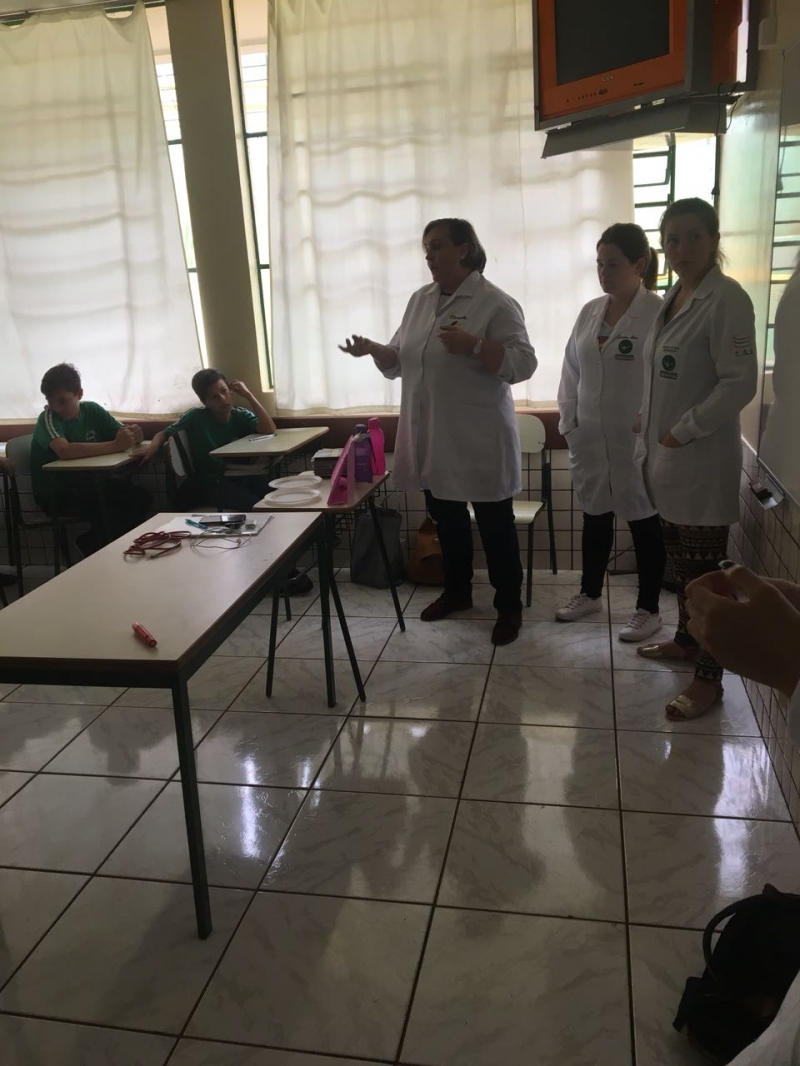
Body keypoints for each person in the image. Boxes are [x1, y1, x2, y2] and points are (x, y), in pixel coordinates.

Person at [339, 218, 537, 646]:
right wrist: (374, 349)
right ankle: (457, 592)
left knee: (496, 530)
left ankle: (508, 608)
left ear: (464, 249)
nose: (428, 255)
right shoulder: (420, 300)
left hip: (480, 440)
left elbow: (524, 364)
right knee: (448, 524)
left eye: (437, 246)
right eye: (426, 247)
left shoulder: (495, 302)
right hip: (432, 438)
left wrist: (475, 346)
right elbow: (400, 359)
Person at [635, 198, 758, 720]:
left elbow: (740, 383)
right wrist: (650, 430)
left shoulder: (727, 298)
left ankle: (709, 681)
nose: (681, 248)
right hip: (666, 463)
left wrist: (681, 431)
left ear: (713, 241)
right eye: (672, 239)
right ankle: (686, 642)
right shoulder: (674, 296)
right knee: (683, 571)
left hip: (701, 462)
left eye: (693, 237)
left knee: (707, 582)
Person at [556, 223, 665, 641]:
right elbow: (570, 371)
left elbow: (665, 379)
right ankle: (589, 594)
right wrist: (569, 422)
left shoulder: (658, 313)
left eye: (613, 264)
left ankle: (648, 609)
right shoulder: (590, 312)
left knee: (644, 522)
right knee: (595, 517)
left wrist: (650, 424)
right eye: (599, 264)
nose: (604, 272)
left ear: (639, 265)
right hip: (589, 438)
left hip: (635, 441)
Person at [30, 363, 151, 556]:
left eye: (61, 401)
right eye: (50, 401)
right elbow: (64, 450)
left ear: (79, 394)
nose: (55, 407)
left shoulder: (92, 410)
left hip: (88, 484)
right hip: (57, 493)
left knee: (140, 499)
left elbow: (122, 433)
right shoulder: (48, 418)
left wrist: (134, 435)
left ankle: (93, 543)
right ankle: (100, 551)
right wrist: (116, 445)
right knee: (107, 507)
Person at [139, 369, 277, 511]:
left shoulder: (240, 415)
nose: (223, 399)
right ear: (204, 402)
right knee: (257, 506)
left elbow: (269, 429)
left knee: (273, 497)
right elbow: (163, 434)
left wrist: (248, 395)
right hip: (211, 482)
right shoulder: (195, 417)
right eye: (214, 397)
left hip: (240, 476)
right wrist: (152, 448)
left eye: (224, 391)